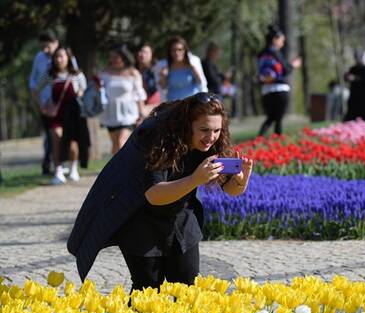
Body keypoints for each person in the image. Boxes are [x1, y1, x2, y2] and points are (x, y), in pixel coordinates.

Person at [67, 93, 253, 290]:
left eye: (217, 130)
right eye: (204, 129)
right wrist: (195, 179)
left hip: (181, 221)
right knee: (147, 289)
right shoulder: (156, 139)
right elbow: (154, 195)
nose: (211, 137)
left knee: (187, 286)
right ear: (187, 124)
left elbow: (231, 189)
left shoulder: (212, 142)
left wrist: (242, 180)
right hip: (141, 221)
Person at [35, 46, 90, 185]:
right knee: (56, 138)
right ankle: (58, 171)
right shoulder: (49, 75)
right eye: (56, 57)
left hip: (73, 115)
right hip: (56, 115)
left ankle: (73, 168)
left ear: (68, 58)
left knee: (72, 144)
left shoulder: (77, 74)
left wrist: (80, 93)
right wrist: (42, 106)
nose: (59, 59)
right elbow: (36, 90)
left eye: (62, 56)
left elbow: (84, 89)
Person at [100, 44, 147, 155]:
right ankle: (115, 170)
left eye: (116, 57)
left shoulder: (133, 73)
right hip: (111, 113)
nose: (113, 60)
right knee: (115, 144)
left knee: (122, 141)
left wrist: (141, 114)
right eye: (111, 57)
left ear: (124, 57)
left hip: (128, 114)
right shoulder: (105, 73)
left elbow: (138, 95)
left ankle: (124, 170)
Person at [257, 25, 301, 137]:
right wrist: (294, 65)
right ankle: (278, 138)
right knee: (278, 117)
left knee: (271, 117)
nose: (282, 43)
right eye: (281, 40)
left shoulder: (261, 54)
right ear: (275, 39)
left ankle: (259, 138)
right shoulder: (276, 53)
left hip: (266, 90)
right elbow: (284, 70)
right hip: (280, 89)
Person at [29, 30, 59, 175]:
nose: (45, 50)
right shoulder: (39, 58)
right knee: (49, 134)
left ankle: (61, 164)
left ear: (56, 43)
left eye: (48, 46)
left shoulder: (64, 57)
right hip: (45, 104)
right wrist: (38, 102)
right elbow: (33, 81)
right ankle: (48, 165)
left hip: (62, 104)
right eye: (42, 47)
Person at [160, 36, 207, 101]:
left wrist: (195, 70)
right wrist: (162, 77)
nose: (177, 53)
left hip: (192, 103)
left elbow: (201, 82)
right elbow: (163, 87)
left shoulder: (193, 63)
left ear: (185, 50)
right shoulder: (166, 67)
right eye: (173, 50)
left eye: (180, 49)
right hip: (174, 104)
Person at [343, 50, 365, 121]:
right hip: (355, 96)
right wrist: (346, 77)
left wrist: (355, 78)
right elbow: (347, 79)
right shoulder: (353, 69)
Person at [136, 43, 161, 114]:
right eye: (140, 51)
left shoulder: (156, 70)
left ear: (152, 55)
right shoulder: (133, 71)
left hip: (154, 107)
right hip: (138, 109)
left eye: (145, 52)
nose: (142, 54)